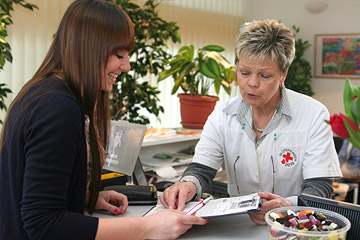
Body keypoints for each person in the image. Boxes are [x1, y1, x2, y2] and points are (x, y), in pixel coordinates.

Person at [0, 1, 207, 239]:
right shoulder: (58, 109)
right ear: (89, 49)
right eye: (119, 54)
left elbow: (31, 192)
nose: (127, 66)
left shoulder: (40, 91)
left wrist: (84, 197)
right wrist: (149, 227)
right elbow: (44, 223)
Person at [160, 19, 342, 225]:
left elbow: (320, 186)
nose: (252, 83)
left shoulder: (313, 114)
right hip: (238, 224)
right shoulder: (223, 113)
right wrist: (187, 185)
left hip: (293, 225)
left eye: (265, 75)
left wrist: (287, 205)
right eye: (244, 73)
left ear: (283, 76)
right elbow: (202, 169)